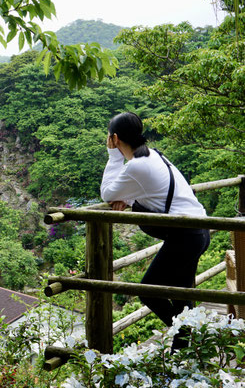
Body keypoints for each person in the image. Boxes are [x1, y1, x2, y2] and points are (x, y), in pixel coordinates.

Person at [100, 112, 210, 351]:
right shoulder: (154, 156)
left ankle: (188, 335)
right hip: (199, 230)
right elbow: (145, 192)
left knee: (148, 290)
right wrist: (127, 199)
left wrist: (111, 156)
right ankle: (185, 348)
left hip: (186, 235)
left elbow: (107, 193)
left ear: (115, 138)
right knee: (182, 296)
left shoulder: (136, 166)